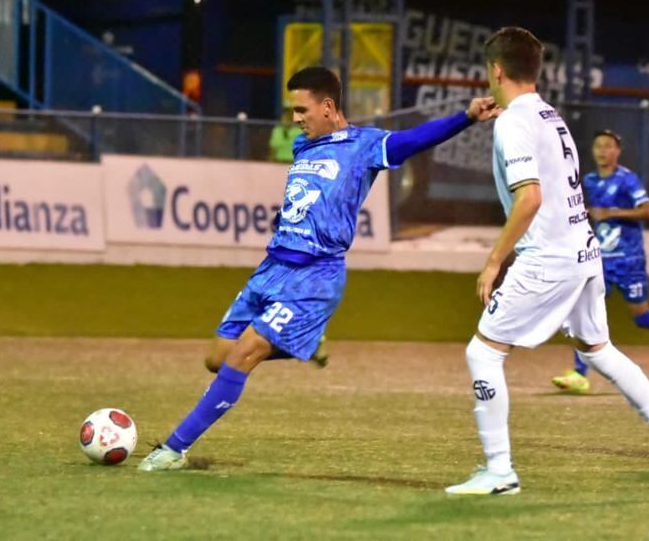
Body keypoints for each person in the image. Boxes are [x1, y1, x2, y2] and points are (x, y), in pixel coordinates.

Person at [138, 66, 501, 472]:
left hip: (314, 276)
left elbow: (414, 141)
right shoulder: (302, 146)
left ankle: (172, 449)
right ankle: (304, 339)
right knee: (216, 358)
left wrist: (466, 117)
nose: (295, 118)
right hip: (271, 267)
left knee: (243, 354)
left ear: (328, 106)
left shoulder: (365, 146)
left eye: (301, 109)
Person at [446, 27, 649, 496]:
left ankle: (499, 471)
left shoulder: (514, 122)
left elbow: (529, 198)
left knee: (482, 352)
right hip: (585, 252)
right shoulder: (549, 114)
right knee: (599, 351)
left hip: (548, 257)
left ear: (496, 71)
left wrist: (493, 261)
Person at [551, 130, 649, 394]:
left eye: (608, 146)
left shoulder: (628, 180)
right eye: (598, 146)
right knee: (583, 311)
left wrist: (611, 213)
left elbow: (648, 211)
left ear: (618, 151)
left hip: (629, 258)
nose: (603, 151)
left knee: (641, 316)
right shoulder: (589, 181)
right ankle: (580, 374)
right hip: (600, 259)